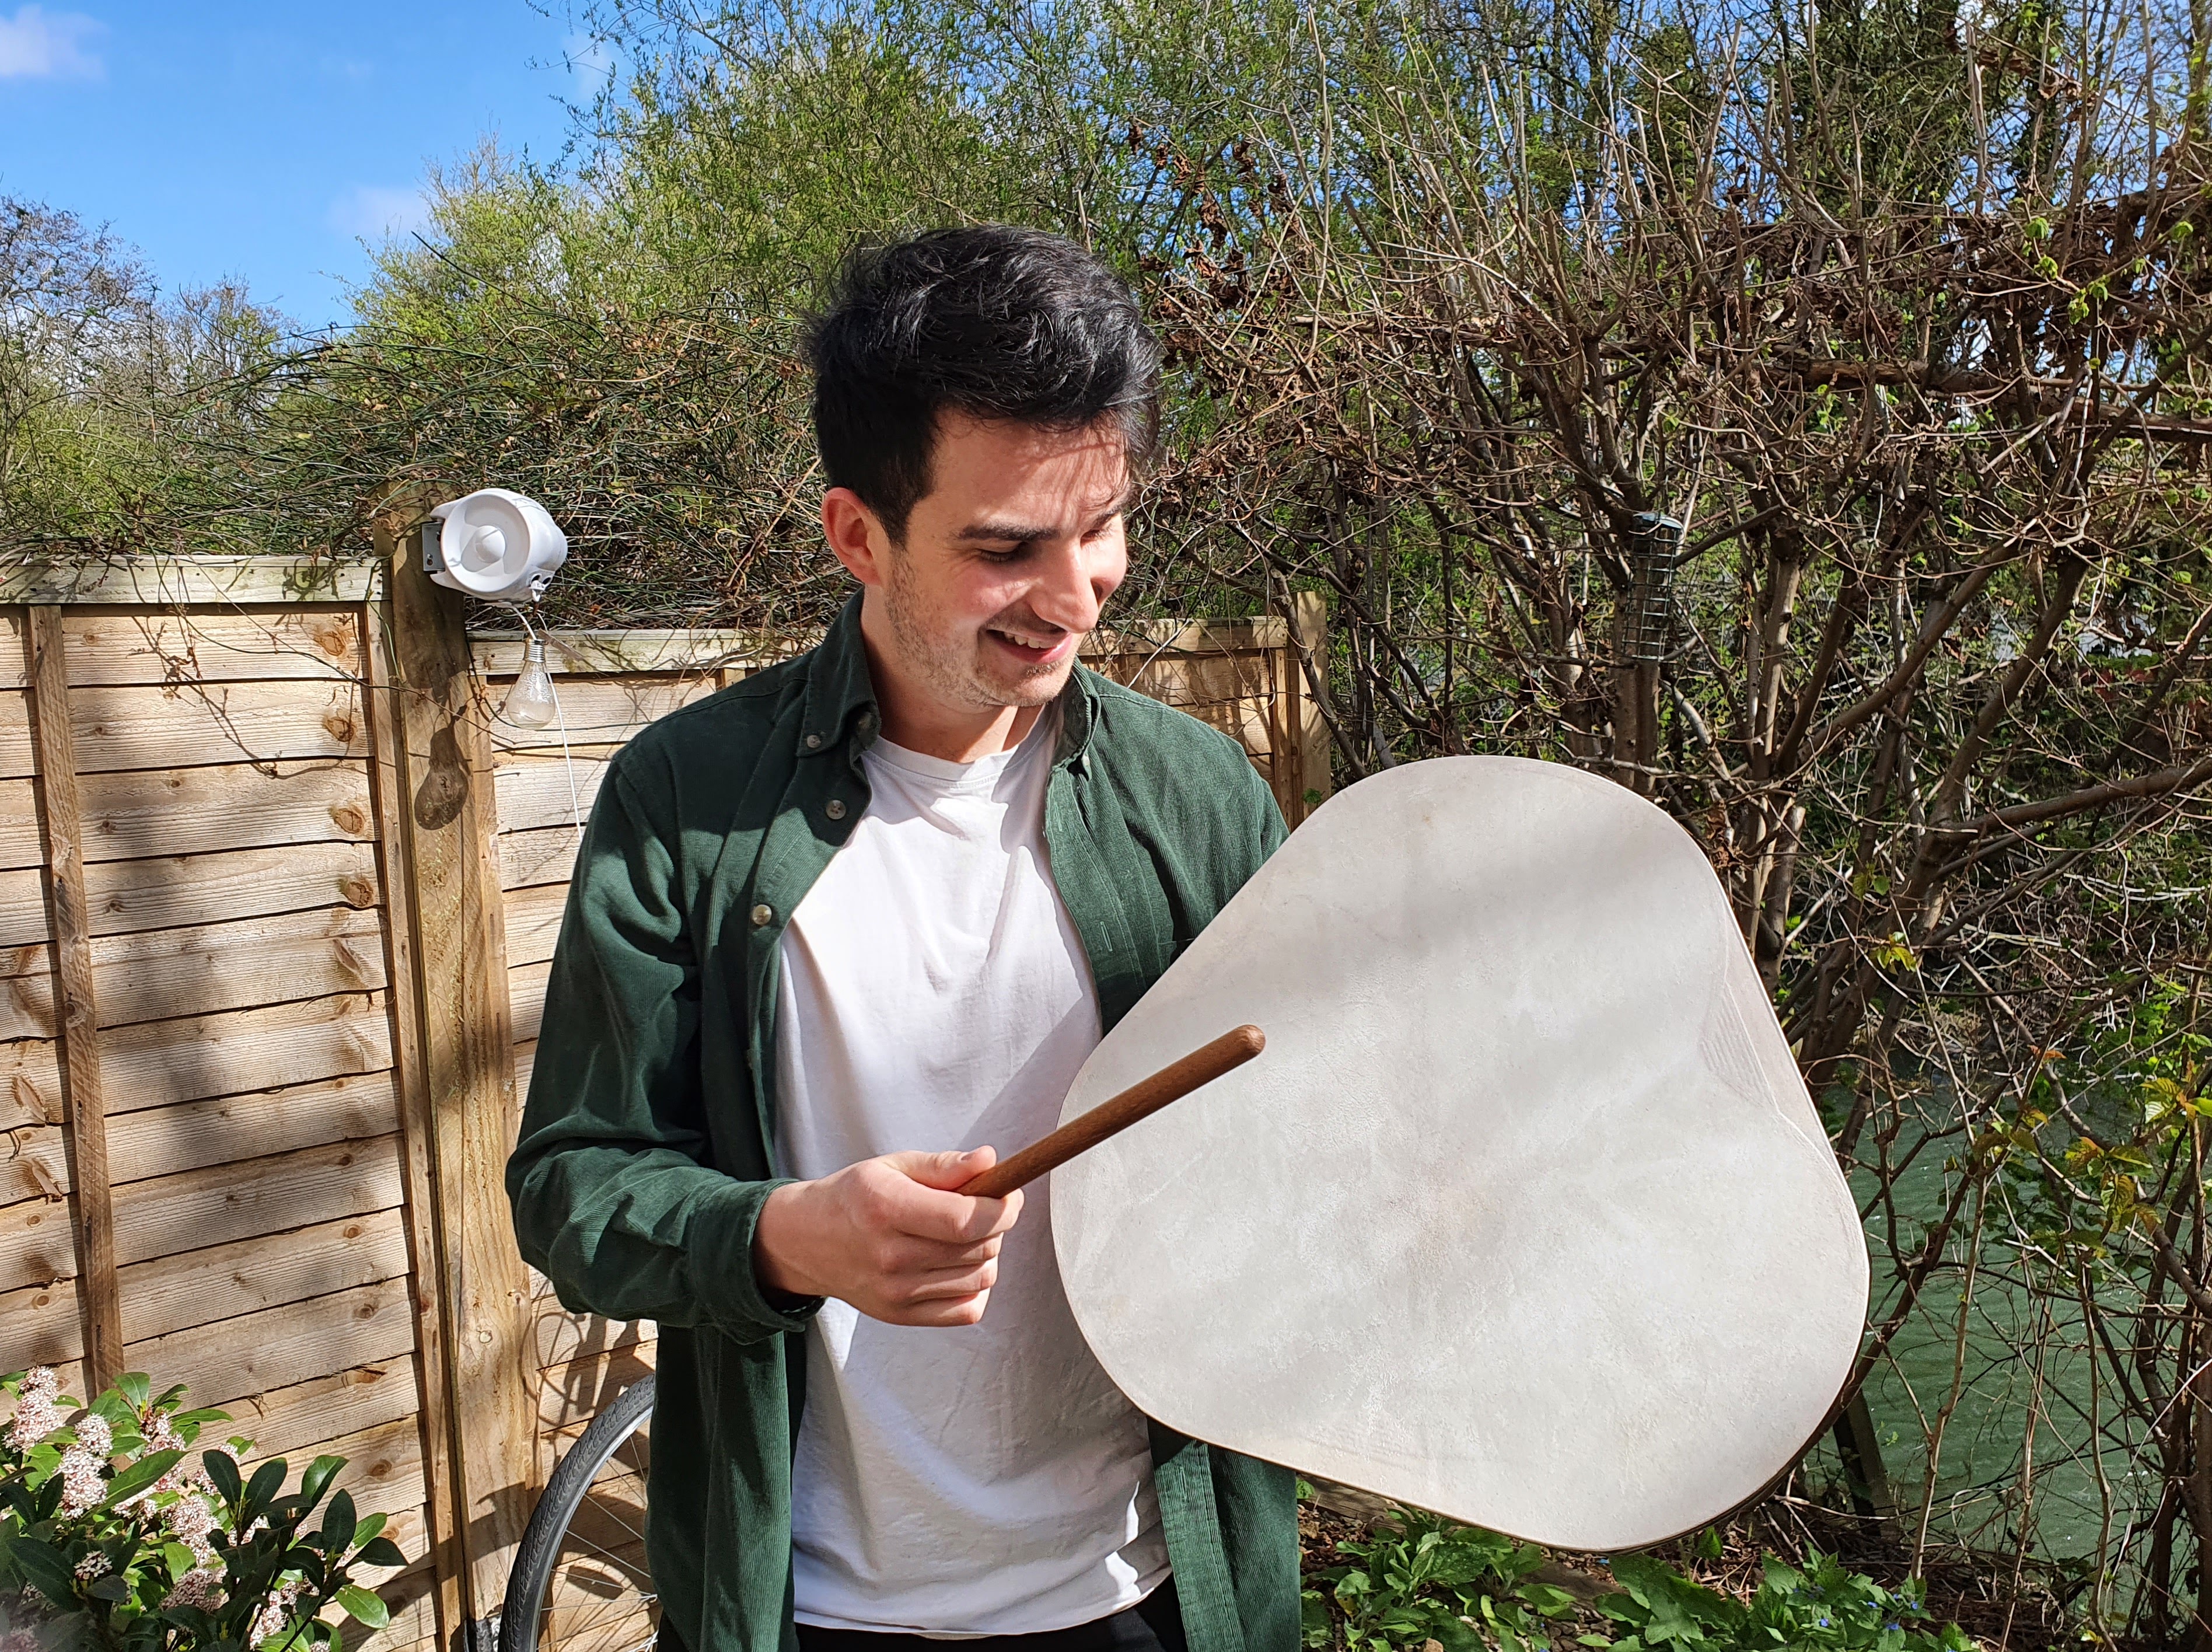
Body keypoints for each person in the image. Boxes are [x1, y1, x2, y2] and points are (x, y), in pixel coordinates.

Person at [506, 226, 1298, 1652]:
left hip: (1154, 1588)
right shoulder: (688, 801)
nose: (1077, 596)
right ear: (857, 533)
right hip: (805, 1605)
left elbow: (1305, 1158)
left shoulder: (1202, 799)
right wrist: (782, 1235)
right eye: (1006, 548)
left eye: (1104, 525)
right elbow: (573, 1192)